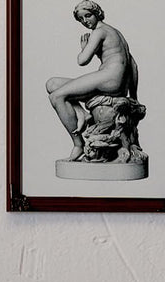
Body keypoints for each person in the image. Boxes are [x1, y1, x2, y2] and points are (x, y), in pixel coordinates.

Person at [46, 2, 140, 162]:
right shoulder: (115, 32)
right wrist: (133, 94)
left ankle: (78, 145)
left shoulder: (99, 32)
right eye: (81, 19)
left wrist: (84, 48)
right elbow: (133, 64)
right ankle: (83, 114)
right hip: (113, 81)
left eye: (88, 16)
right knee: (52, 84)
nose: (85, 21)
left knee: (56, 97)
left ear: (97, 13)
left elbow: (82, 60)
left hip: (108, 78)